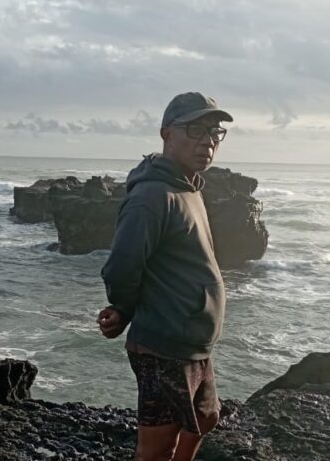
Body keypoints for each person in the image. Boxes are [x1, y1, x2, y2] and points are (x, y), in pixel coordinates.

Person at [98, 92, 232, 461]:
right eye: (195, 129)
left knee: (206, 419)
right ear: (166, 134)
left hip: (192, 341)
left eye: (214, 131)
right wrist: (124, 308)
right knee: (157, 448)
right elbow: (122, 265)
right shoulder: (153, 196)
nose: (207, 140)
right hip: (165, 345)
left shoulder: (189, 188)